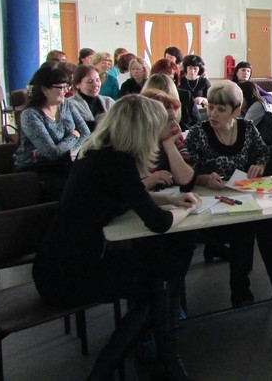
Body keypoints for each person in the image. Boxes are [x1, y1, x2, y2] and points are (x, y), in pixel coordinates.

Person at [32, 94, 201, 380]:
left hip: (57, 262)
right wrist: (186, 209)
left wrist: (171, 200)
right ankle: (111, 368)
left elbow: (129, 195)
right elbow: (159, 223)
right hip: (68, 274)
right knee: (157, 284)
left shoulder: (98, 154)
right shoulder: (117, 163)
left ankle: (163, 357)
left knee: (160, 270)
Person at [185, 81, 272, 306]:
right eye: (211, 107)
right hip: (209, 202)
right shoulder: (197, 133)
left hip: (241, 195)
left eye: (221, 109)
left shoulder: (247, 127)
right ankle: (240, 288)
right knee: (245, 228)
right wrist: (202, 178)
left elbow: (263, 152)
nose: (212, 114)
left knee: (267, 224)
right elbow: (185, 171)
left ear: (236, 110)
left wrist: (259, 165)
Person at [13, 62, 90, 202]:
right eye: (61, 87)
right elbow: (52, 154)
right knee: (75, 189)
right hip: (36, 168)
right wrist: (73, 136)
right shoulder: (30, 115)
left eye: (67, 86)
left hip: (64, 163)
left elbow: (85, 133)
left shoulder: (66, 104)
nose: (66, 91)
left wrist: (58, 148)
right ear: (44, 89)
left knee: (94, 180)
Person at [140, 89, 196, 192]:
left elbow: (185, 180)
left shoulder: (172, 140)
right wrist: (149, 181)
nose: (175, 125)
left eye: (174, 119)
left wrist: (170, 146)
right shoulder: (130, 146)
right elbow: (120, 191)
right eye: (168, 120)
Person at [65, 65, 114, 132]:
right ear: (77, 85)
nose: (95, 84)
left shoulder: (109, 101)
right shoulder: (70, 104)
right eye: (90, 81)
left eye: (97, 80)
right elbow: (80, 128)